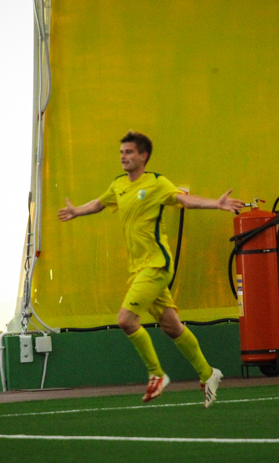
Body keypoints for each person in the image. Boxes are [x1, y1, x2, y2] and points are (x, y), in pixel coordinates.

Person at [58, 131, 244, 408]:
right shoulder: (119, 184)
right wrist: (76, 211)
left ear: (143, 156)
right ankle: (208, 373)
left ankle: (157, 374)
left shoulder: (157, 183)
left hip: (156, 265)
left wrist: (215, 204)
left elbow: (184, 200)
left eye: (129, 152)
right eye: (121, 152)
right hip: (139, 269)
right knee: (171, 326)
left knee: (126, 320)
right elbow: (99, 203)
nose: (123, 157)